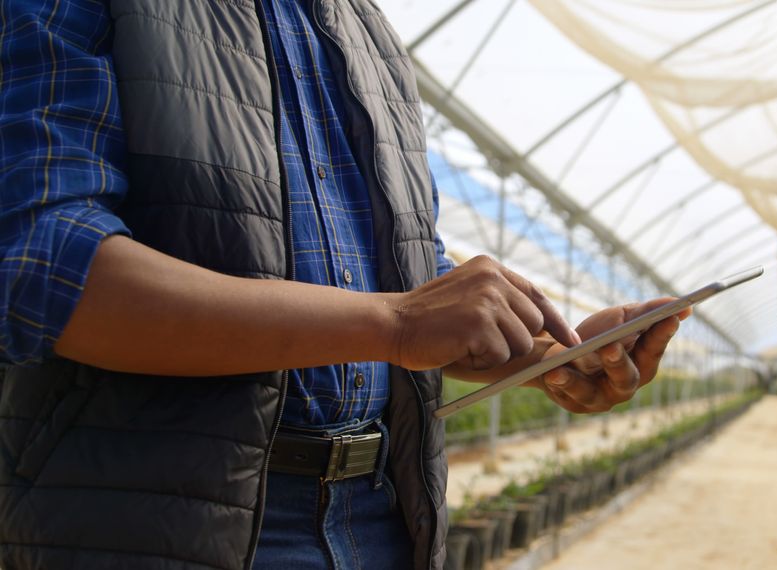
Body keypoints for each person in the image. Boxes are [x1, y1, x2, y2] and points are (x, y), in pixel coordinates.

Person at [0, 1, 688, 569]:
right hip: (158, 520)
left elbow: (393, 286)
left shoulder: (365, 32)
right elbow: (39, 265)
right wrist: (399, 320)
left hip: (382, 514)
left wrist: (547, 356)